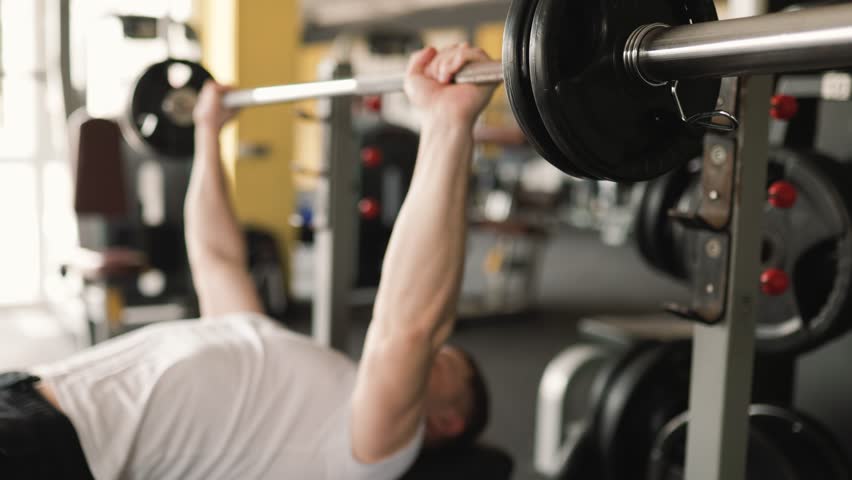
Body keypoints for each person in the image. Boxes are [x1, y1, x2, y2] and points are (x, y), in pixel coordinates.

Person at [0, 44, 497, 480]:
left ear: (448, 419)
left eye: (442, 361)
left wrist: (448, 125)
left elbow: (409, 329)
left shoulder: (370, 449)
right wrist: (207, 134)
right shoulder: (276, 351)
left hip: (53, 447)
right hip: (27, 391)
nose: (432, 355)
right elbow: (216, 259)